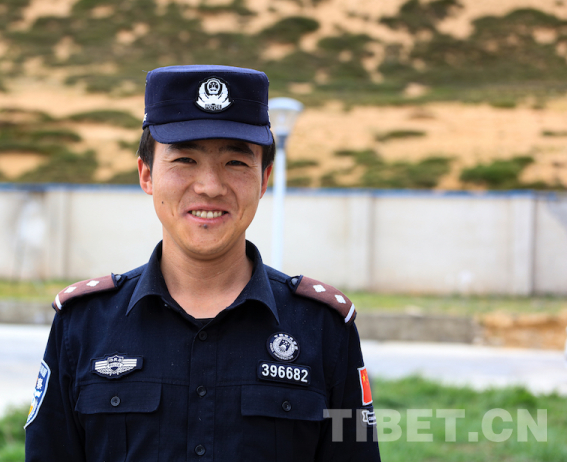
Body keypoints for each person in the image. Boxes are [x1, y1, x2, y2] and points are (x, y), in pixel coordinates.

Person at [24, 65, 381, 461]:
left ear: (264, 179)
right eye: (184, 160)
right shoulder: (84, 325)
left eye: (235, 162)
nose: (210, 186)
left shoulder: (323, 329)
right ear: (146, 174)